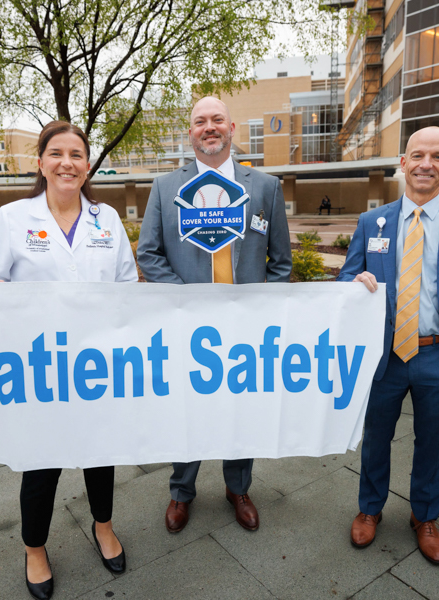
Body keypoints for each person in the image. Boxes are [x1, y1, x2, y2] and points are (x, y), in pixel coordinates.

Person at [0, 121, 137, 599]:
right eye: (56, 154)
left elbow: (128, 291)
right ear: (41, 162)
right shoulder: (14, 218)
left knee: (101, 452)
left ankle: (104, 525)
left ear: (88, 164)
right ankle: (35, 548)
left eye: (76, 155)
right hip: (40, 367)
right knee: (42, 462)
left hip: (98, 365)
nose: (66, 163)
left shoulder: (107, 220)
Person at [337, 126, 439, 565]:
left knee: (432, 442)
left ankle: (425, 516)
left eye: (436, 156)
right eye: (417, 155)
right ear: (403, 162)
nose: (426, 163)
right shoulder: (374, 222)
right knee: (375, 439)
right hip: (383, 357)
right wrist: (354, 283)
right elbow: (345, 279)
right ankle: (370, 509)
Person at [137, 96, 292, 534]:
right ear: (190, 133)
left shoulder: (264, 187)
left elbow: (280, 264)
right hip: (188, 326)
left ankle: (238, 488)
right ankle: (181, 492)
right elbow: (148, 254)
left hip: (244, 329)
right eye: (200, 121)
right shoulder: (165, 189)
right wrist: (186, 302)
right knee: (188, 408)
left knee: (240, 407)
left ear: (232, 129)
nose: (209, 127)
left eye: (217, 120)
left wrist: (263, 310)